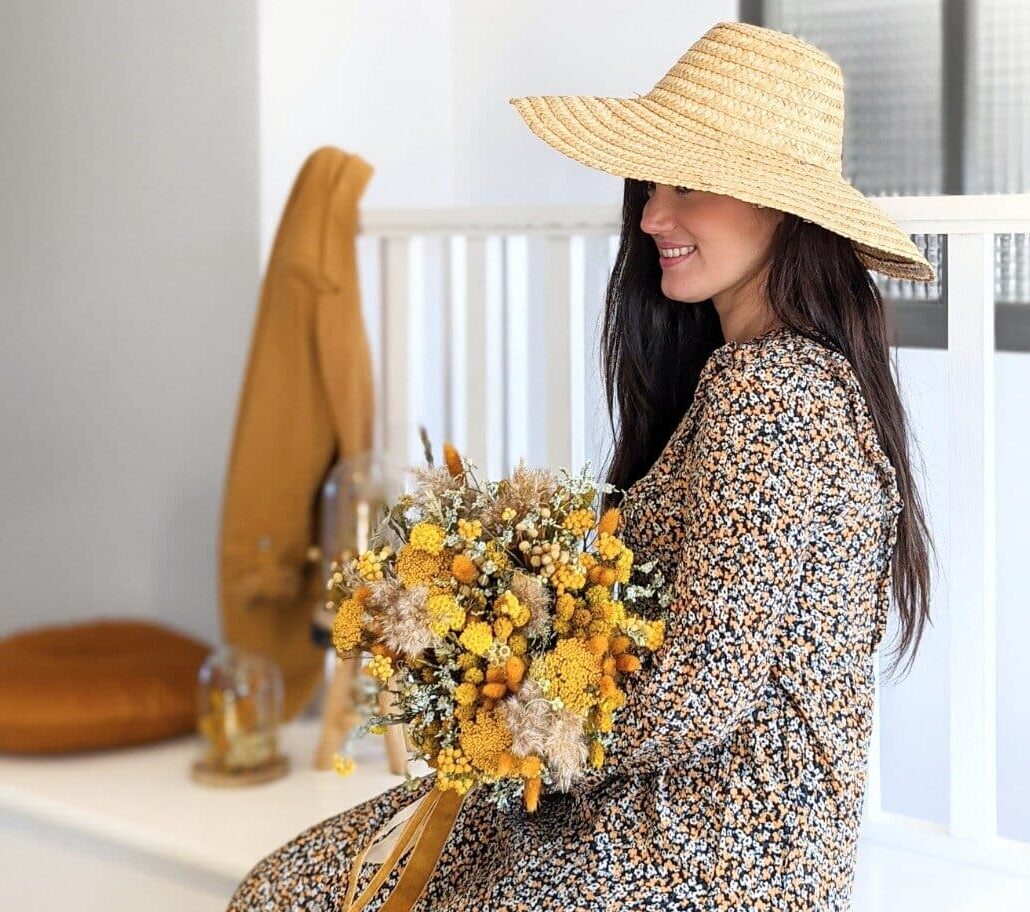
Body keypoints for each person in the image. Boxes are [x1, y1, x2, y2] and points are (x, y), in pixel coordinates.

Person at [227, 19, 936, 912]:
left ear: (780, 207)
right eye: (650, 184)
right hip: (659, 810)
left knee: (296, 893)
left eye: (689, 186)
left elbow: (701, 690)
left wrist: (513, 730)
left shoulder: (776, 394)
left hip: (711, 848)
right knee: (300, 883)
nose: (651, 216)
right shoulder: (764, 379)